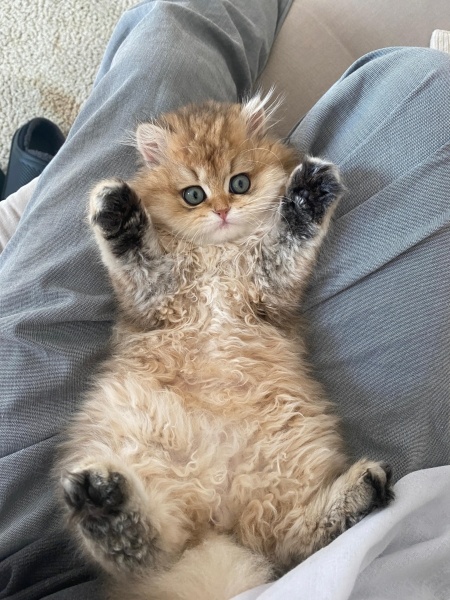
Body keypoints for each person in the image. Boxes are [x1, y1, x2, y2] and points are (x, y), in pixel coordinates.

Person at [1, 1, 449, 599]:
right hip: (233, 396)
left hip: (170, 397)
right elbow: (228, 295)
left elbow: (196, 294)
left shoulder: (231, 211)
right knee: (426, 95)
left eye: (240, 184)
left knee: (169, 36)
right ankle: (297, 529)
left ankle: (132, 526)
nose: (220, 209)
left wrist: (130, 240)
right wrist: (295, 221)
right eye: (192, 196)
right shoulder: (179, 229)